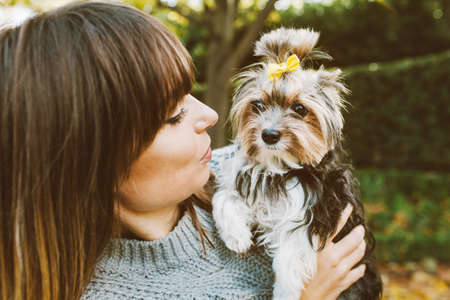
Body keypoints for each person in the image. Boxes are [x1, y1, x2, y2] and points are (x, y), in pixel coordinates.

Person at [0, 2, 367, 299]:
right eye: (174, 115)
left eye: (191, 93)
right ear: (87, 162)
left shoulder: (245, 179)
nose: (211, 114)